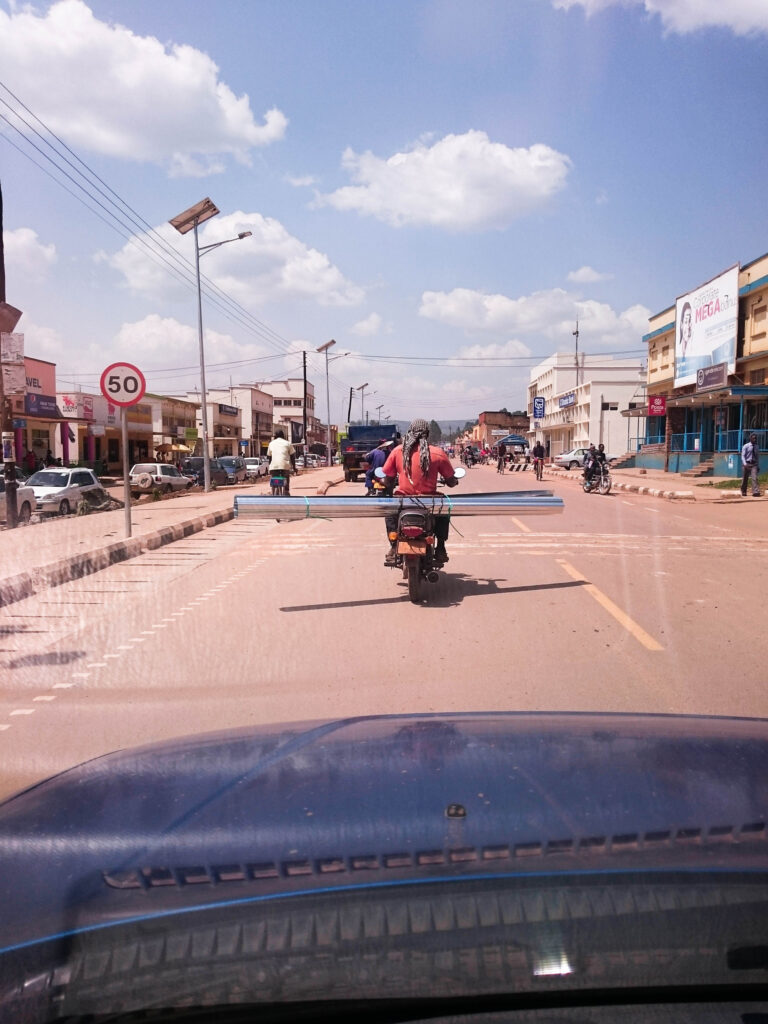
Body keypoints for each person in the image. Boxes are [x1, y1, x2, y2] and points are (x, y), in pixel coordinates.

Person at [380, 418, 458, 565]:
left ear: (410, 432)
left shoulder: (398, 451)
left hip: (403, 502)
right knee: (443, 513)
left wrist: (388, 483)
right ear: (427, 434)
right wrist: (452, 480)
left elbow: (387, 480)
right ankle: (440, 547)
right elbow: (452, 482)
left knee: (389, 515)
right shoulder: (438, 453)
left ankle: (393, 546)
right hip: (429, 503)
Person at [267, 429, 295, 495]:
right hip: (285, 466)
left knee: (274, 479)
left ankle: (274, 490)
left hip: (274, 466)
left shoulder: (271, 444)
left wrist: (270, 467)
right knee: (286, 477)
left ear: (275, 436)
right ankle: (286, 491)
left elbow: (269, 457)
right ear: (283, 436)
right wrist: (294, 467)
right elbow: (292, 456)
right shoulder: (288, 443)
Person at [741, 432, 761, 497]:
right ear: (750, 439)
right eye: (753, 438)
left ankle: (755, 492)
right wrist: (744, 464)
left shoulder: (757, 447)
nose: (755, 440)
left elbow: (757, 456)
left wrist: (757, 465)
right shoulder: (746, 446)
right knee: (745, 479)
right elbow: (743, 456)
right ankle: (743, 491)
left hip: (754, 464)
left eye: (755, 438)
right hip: (747, 464)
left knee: (754, 478)